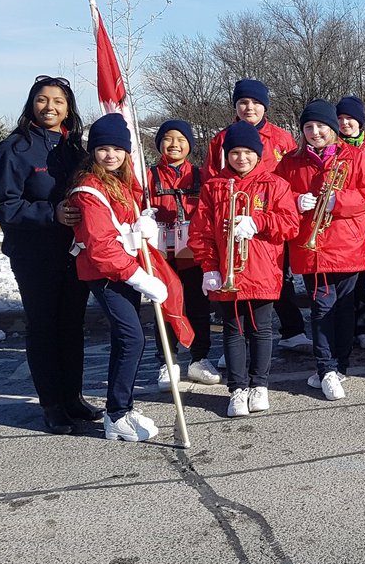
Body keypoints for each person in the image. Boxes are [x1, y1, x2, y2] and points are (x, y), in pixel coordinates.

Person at [0, 76, 94, 434]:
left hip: (74, 253)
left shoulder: (75, 150)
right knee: (45, 326)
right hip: (34, 255)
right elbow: (2, 205)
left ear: (68, 108)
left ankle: (73, 397)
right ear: (32, 104)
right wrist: (51, 213)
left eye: (58, 101)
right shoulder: (14, 149)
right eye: (43, 99)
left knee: (72, 325)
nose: (50, 107)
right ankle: (52, 404)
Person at [66, 114, 171, 442]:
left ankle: (122, 406)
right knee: (132, 339)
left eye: (117, 149)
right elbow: (101, 247)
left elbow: (120, 225)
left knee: (127, 339)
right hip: (106, 273)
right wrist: (140, 278)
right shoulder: (89, 189)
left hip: (123, 269)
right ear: (92, 151)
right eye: (103, 148)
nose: (110, 155)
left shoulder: (120, 182)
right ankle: (116, 414)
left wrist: (141, 225)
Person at [190, 121, 300, 418]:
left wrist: (259, 222)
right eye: (235, 152)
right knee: (233, 330)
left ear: (258, 154)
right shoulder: (214, 187)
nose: (241, 158)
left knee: (262, 329)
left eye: (248, 152)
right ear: (227, 155)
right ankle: (237, 389)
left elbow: (291, 225)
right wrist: (209, 268)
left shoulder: (275, 184)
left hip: (263, 270)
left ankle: (259, 385)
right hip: (227, 271)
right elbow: (201, 232)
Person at [276, 100, 365, 401]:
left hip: (348, 245)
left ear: (332, 128)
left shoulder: (356, 157)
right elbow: (274, 195)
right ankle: (326, 369)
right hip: (312, 248)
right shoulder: (290, 162)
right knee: (322, 307)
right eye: (308, 127)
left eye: (321, 126)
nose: (315, 132)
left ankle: (340, 366)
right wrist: (295, 201)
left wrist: (340, 201)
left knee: (345, 308)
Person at [203, 79, 309, 352]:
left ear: (265, 106)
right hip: (233, 219)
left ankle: (292, 329)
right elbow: (211, 179)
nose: (249, 108)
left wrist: (294, 201)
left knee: (279, 275)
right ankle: (238, 342)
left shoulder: (281, 138)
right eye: (243, 102)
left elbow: (293, 176)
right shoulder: (221, 139)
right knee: (233, 275)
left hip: (270, 216)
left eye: (255, 102)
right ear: (235, 106)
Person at [147, 119, 220, 390]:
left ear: (190, 144)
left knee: (198, 306)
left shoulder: (201, 176)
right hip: (161, 255)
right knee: (164, 307)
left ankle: (199, 358)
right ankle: (168, 361)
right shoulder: (148, 176)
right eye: (168, 138)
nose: (174, 144)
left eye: (181, 139)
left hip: (192, 252)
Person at [334, 95, 365, 350]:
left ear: (360, 121)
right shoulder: (330, 146)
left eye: (350, 118)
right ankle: (341, 327)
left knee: (363, 278)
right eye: (340, 118)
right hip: (336, 222)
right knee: (340, 280)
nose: (345, 123)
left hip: (364, 221)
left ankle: (363, 326)